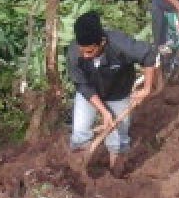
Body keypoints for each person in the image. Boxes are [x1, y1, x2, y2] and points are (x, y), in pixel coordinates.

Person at [66, 11, 158, 177]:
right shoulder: (74, 53)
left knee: (118, 140)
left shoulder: (119, 43)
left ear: (101, 42)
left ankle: (115, 175)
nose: (85, 56)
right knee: (79, 134)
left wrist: (146, 88)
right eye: (83, 51)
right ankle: (77, 174)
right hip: (90, 93)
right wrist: (103, 111)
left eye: (90, 51)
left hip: (118, 93)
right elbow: (83, 84)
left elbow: (148, 54)